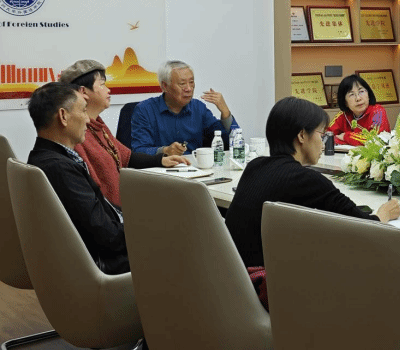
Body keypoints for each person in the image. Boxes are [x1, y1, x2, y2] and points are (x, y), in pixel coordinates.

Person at [226, 96, 400, 270]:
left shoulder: (254, 166)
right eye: (322, 134)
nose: (323, 144)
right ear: (302, 135)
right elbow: (366, 228)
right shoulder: (305, 180)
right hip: (266, 280)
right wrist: (383, 214)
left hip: (233, 275)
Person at [27, 82, 129, 275]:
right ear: (63, 116)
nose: (89, 120)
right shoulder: (59, 169)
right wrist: (146, 233)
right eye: (83, 111)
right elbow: (107, 237)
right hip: (105, 264)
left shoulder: (45, 157)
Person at [59, 60, 189, 207]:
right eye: (102, 85)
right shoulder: (77, 134)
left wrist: (161, 160)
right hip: (111, 212)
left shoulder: (98, 124)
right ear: (83, 92)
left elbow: (127, 157)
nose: (108, 90)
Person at [131, 60, 240, 155]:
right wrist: (165, 151)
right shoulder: (144, 110)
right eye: (182, 83)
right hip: (159, 169)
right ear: (165, 86)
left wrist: (225, 112)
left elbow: (230, 144)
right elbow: (138, 151)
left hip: (194, 168)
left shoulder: (198, 108)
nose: (189, 88)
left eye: (191, 82)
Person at [328, 74, 391, 146]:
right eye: (352, 94)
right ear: (345, 102)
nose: (358, 98)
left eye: (361, 91)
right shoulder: (342, 115)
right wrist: (347, 141)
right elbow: (326, 136)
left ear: (368, 94)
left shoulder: (378, 112)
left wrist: (345, 136)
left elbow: (376, 141)